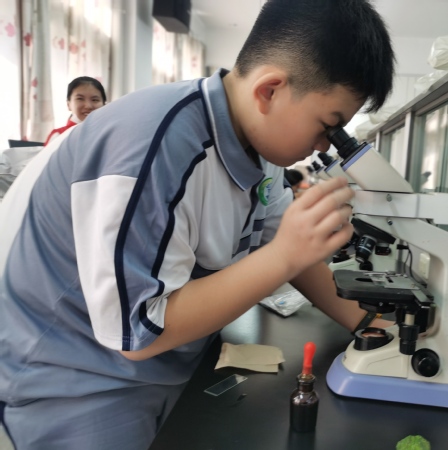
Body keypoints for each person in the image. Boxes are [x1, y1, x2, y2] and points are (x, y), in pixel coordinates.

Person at [0, 1, 395, 448]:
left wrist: (373, 326)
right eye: (327, 126)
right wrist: (285, 254)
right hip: (82, 382)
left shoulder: (261, 147)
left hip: (175, 360)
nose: (325, 145)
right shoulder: (151, 145)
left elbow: (293, 252)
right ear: (270, 91)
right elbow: (139, 332)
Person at [43, 76, 107, 146]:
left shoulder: (109, 134)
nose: (88, 106)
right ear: (68, 105)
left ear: (104, 105)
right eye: (80, 99)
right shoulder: (58, 136)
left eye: (95, 100)